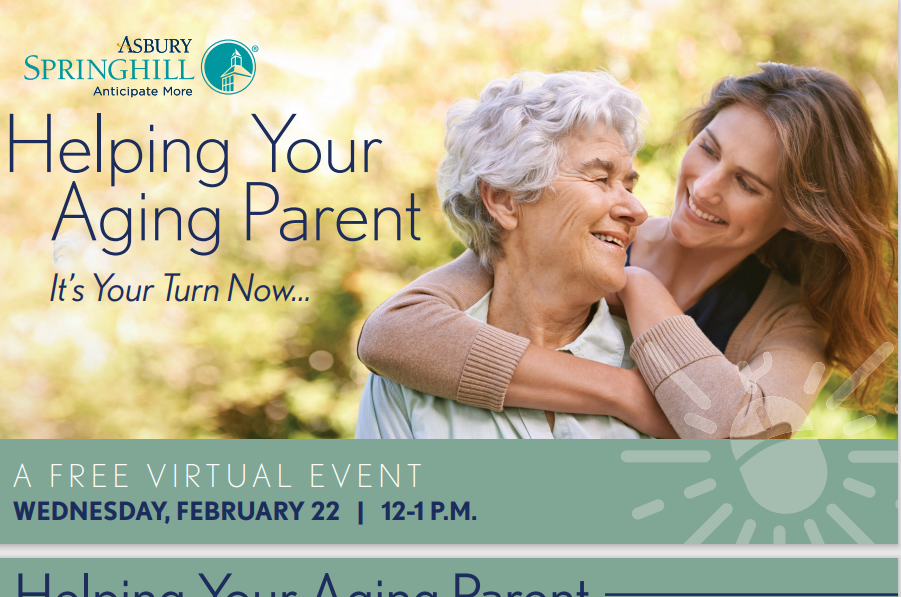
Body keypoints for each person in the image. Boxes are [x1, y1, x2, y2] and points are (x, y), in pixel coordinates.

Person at [357, 63, 897, 439]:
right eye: (707, 149)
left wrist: (639, 287)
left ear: (797, 212)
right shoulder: (589, 239)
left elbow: (745, 438)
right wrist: (628, 395)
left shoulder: (785, 319)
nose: (705, 187)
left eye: (747, 184)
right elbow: (395, 333)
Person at [356, 71, 672, 439]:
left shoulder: (662, 378)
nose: (637, 209)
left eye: (630, 185)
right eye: (601, 179)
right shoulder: (407, 381)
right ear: (505, 201)